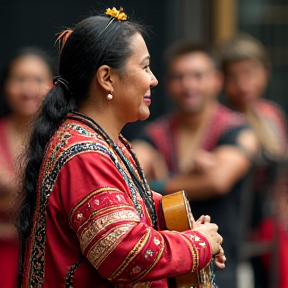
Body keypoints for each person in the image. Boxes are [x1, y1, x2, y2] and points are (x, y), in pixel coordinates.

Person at [17, 8, 225, 288]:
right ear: (106, 78)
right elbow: (124, 251)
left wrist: (193, 233)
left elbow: (133, 211)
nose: (153, 79)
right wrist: (197, 244)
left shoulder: (100, 141)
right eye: (144, 66)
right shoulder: (85, 154)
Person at [132, 42, 259, 288]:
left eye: (197, 76)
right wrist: (190, 177)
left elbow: (217, 181)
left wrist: (159, 183)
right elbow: (131, 169)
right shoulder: (155, 132)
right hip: (167, 264)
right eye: (179, 77)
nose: (189, 85)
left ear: (216, 80)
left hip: (222, 264)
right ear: (167, 83)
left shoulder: (238, 129)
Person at [216, 33, 288, 288]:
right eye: (233, 76)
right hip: (235, 226)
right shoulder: (222, 120)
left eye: (249, 73)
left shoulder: (272, 115)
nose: (243, 83)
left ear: (265, 73)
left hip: (272, 222)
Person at [0, 47, 53, 288]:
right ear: (6, 85)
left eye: (38, 80)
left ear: (53, 86)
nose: (28, 89)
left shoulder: (62, 139)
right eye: (20, 79)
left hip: (46, 259)